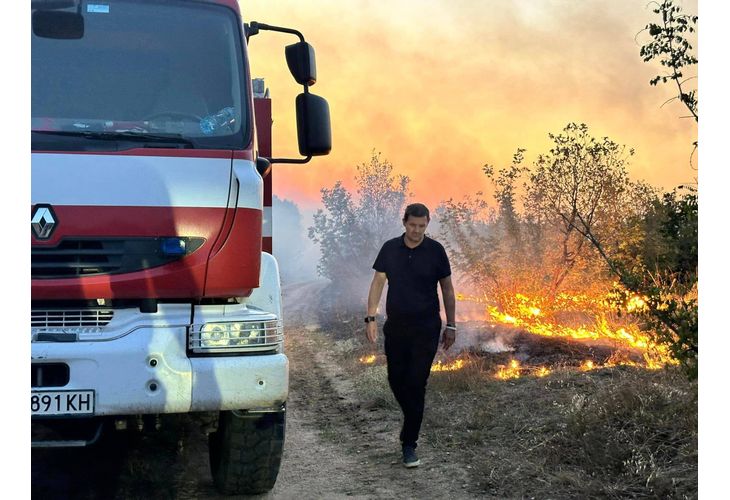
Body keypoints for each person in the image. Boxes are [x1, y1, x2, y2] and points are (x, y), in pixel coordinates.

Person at [365, 202, 456, 468]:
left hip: (427, 327)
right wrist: (370, 317)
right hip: (396, 327)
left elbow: (447, 290)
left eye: (422, 226)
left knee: (417, 382)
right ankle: (413, 416)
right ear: (404, 222)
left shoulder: (436, 251)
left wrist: (451, 325)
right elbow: (377, 283)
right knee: (396, 379)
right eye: (412, 225)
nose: (417, 231)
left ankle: (409, 444)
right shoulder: (390, 249)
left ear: (427, 224)